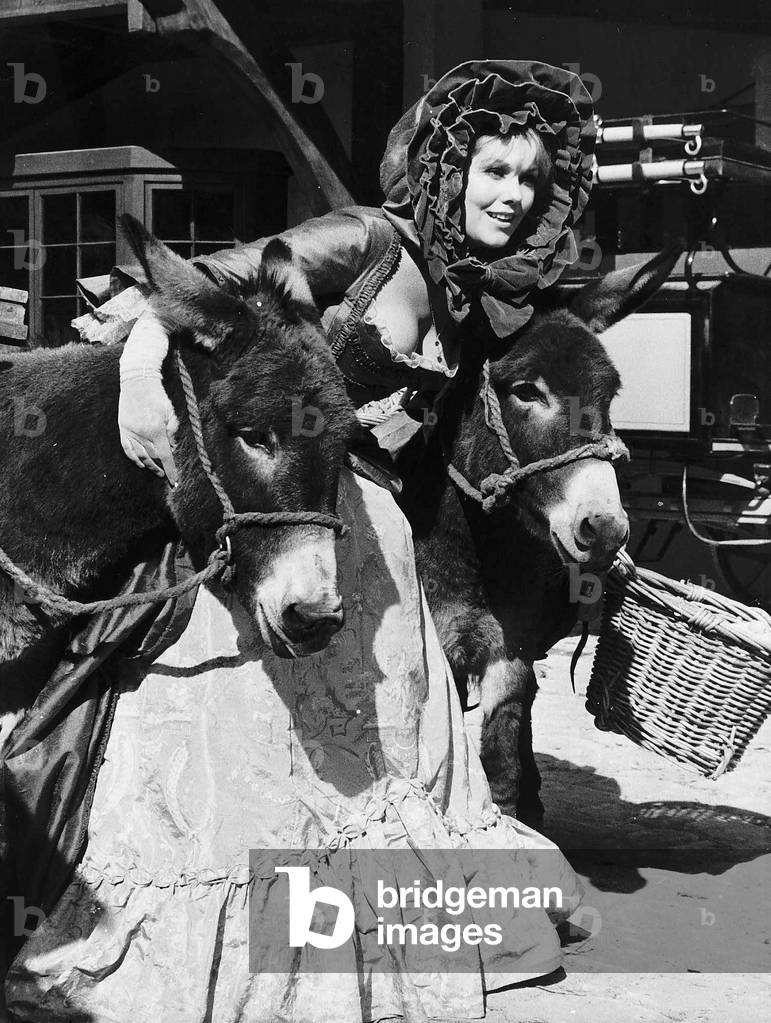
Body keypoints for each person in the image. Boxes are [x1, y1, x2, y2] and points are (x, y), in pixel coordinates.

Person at [4, 60, 595, 1021]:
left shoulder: (481, 298)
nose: (511, 197)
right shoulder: (363, 240)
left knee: (383, 761)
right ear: (447, 172)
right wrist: (146, 372)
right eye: (493, 172)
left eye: (529, 181)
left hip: (378, 554)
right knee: (244, 769)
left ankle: (362, 937)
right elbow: (209, 296)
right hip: (282, 521)